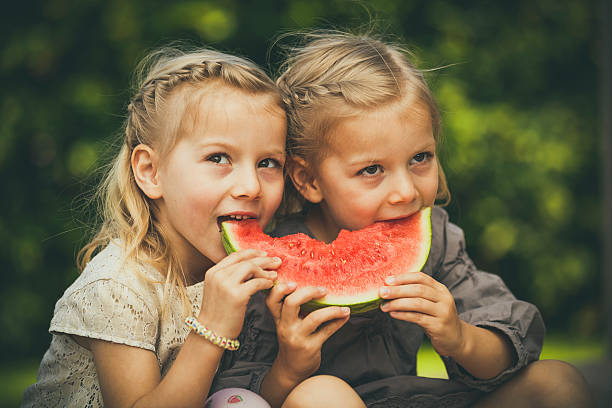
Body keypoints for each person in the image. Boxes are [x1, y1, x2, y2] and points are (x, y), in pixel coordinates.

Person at [211, 32, 594, 408]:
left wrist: (461, 340)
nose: (406, 191)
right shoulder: (268, 267)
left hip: (419, 399)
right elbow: (239, 401)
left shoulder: (437, 239)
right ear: (309, 180)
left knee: (557, 381)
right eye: (372, 169)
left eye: (420, 158)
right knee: (321, 395)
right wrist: (288, 369)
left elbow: (508, 348)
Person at [22, 46, 288, 407]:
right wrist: (212, 330)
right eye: (219, 158)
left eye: (268, 162)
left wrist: (291, 366)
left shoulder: (246, 274)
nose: (251, 187)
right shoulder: (117, 288)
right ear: (151, 172)